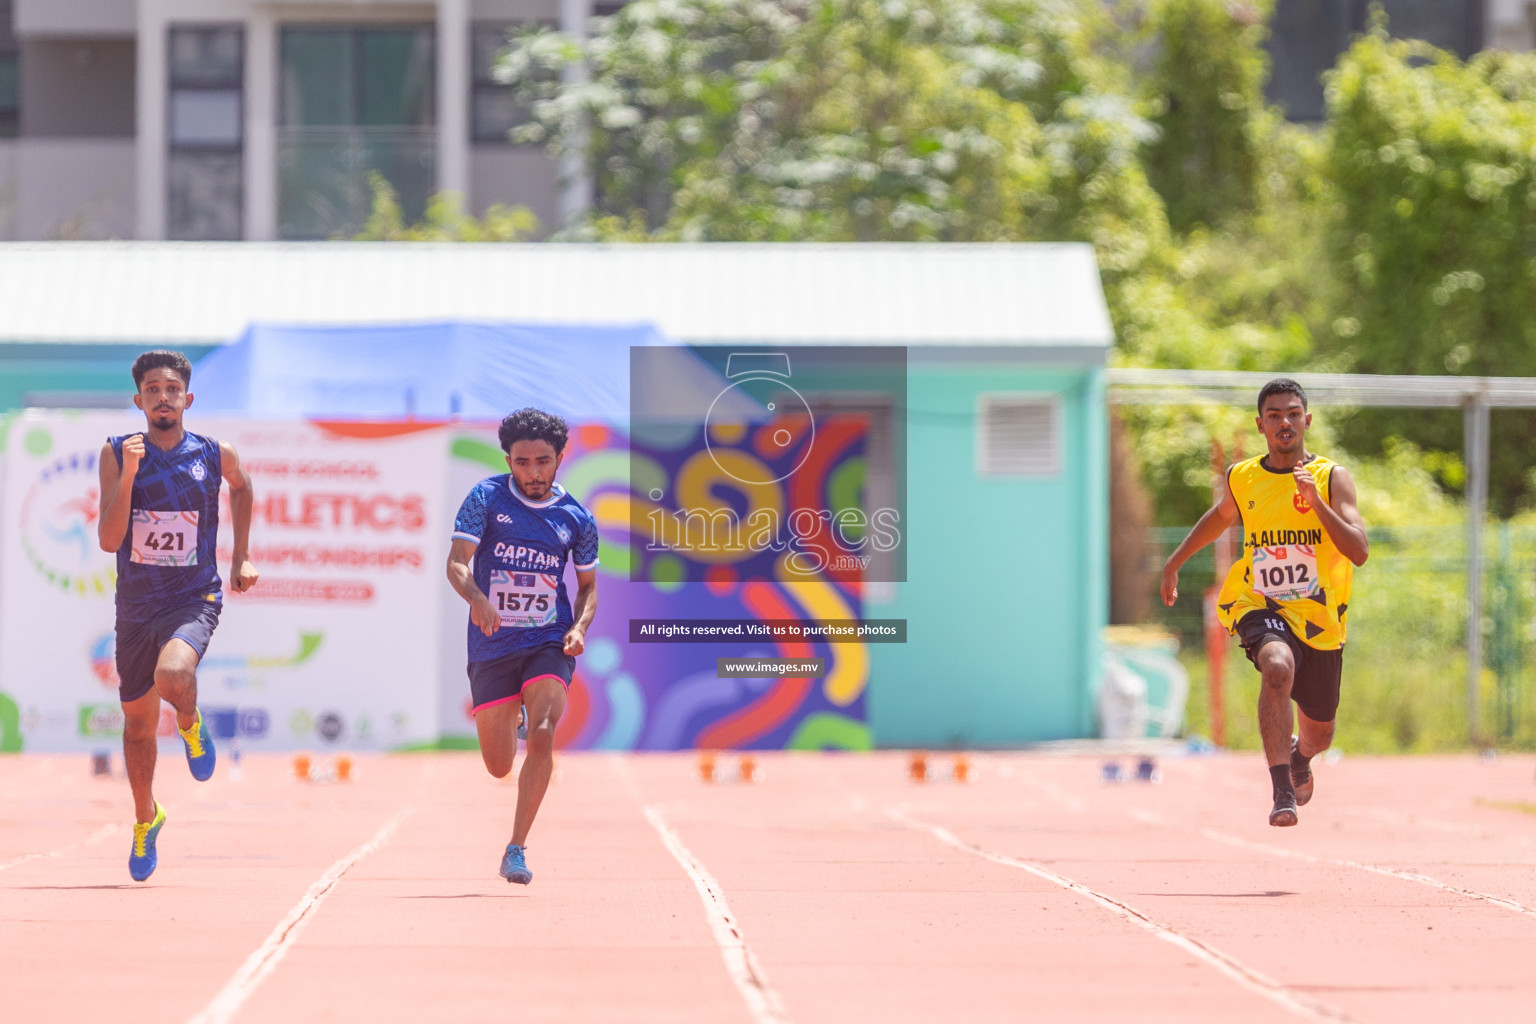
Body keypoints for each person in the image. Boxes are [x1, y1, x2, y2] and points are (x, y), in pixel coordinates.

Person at [1160, 379, 1368, 826]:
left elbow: (1359, 551)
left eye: (1293, 413)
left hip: (1319, 618)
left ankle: (1300, 757)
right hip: (1261, 603)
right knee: (1276, 667)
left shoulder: (1332, 478)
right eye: (1274, 415)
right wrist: (1174, 562)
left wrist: (1316, 504)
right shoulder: (1243, 476)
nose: (1285, 422)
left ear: (1307, 421)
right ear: (1261, 425)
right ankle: (1281, 793)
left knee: (1322, 734)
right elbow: (1219, 518)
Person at [97, 351, 259, 880]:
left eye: (171, 390)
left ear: (187, 399)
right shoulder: (118, 453)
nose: (162, 398)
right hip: (136, 608)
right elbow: (108, 540)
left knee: (174, 675)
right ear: (138, 399)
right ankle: (147, 817)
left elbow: (243, 487)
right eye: (152, 389)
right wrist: (132, 474)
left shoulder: (214, 453)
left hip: (194, 597)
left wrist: (240, 555)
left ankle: (190, 723)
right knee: (138, 726)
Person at [447, 408, 599, 884]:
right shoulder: (486, 499)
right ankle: (509, 710)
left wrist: (579, 629)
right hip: (492, 641)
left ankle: (516, 847)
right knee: (497, 767)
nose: (533, 473)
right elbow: (456, 563)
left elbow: (589, 588)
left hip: (548, 639)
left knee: (546, 729)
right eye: (522, 462)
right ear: (507, 460)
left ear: (559, 459)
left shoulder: (577, 518)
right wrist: (477, 599)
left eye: (543, 462)